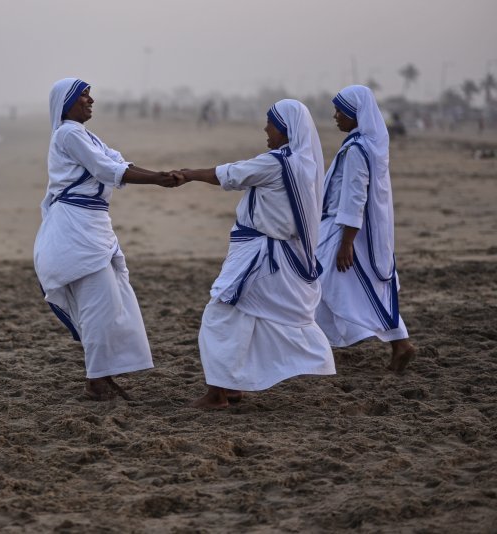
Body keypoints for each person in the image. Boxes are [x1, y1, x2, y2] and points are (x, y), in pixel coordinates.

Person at [176, 99, 336, 409]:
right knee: (248, 318)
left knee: (218, 316)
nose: (266, 128)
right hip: (274, 254)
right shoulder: (304, 163)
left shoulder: (278, 162)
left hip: (261, 257)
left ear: (285, 128)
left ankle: (216, 394)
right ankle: (232, 386)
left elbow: (232, 175)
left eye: (270, 122)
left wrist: (189, 173)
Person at [34, 78, 179, 401]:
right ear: (66, 103)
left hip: (93, 227)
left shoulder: (87, 136)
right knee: (99, 307)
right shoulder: (69, 133)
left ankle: (100, 376)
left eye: (89, 95)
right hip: (76, 232)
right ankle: (95, 381)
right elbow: (105, 170)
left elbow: (118, 163)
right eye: (83, 96)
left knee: (109, 305)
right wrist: (158, 180)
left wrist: (160, 176)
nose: (91, 100)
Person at [315, 85, 415, 371]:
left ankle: (313, 351)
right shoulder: (364, 144)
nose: (335, 116)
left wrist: (346, 243)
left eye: (340, 111)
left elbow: (355, 197)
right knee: (363, 288)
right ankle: (400, 343)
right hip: (353, 230)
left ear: (356, 114)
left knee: (319, 285)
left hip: (345, 231)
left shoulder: (358, 150)